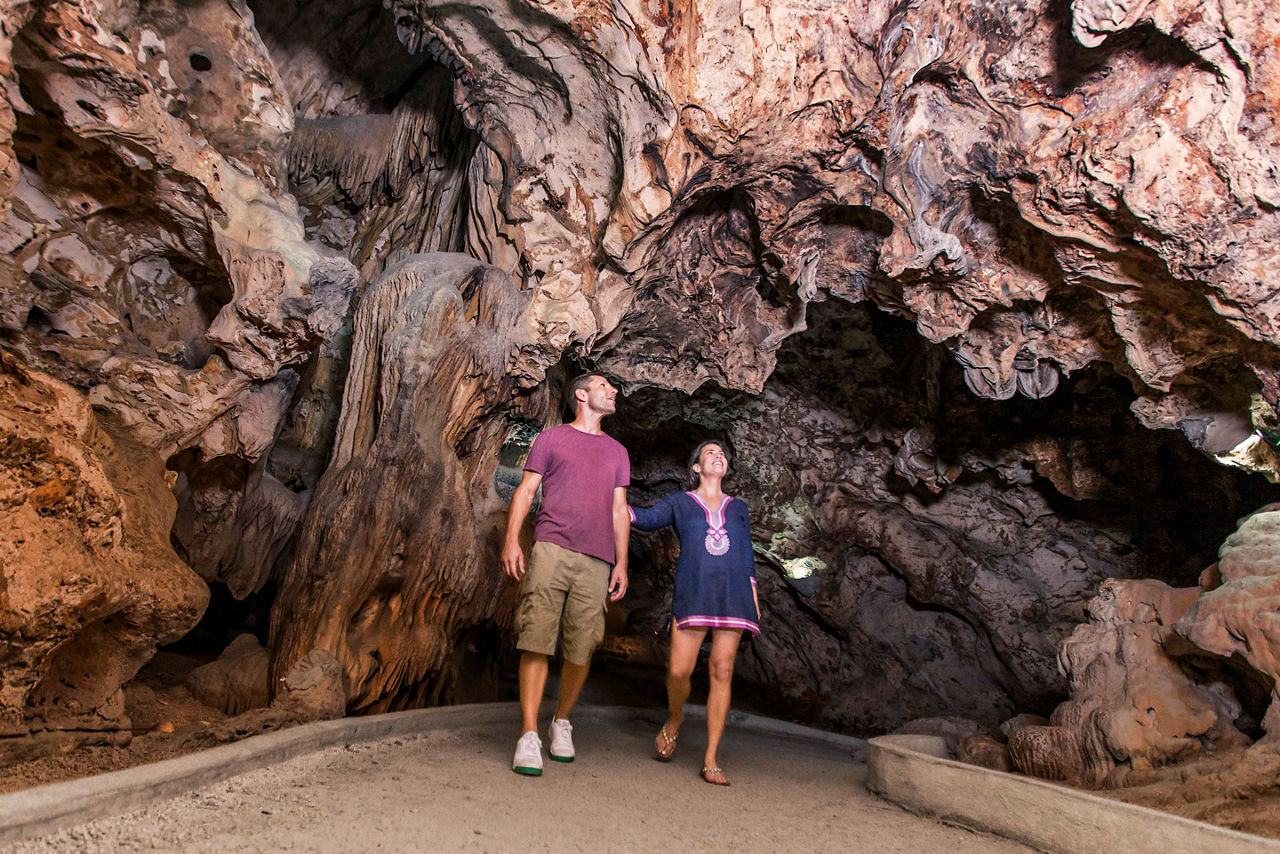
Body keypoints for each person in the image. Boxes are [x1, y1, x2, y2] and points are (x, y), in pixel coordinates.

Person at [500, 373, 631, 776]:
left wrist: (621, 562)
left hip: (597, 558)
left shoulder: (618, 452)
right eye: (604, 385)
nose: (612, 392)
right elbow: (525, 491)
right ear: (581, 394)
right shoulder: (551, 439)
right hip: (551, 548)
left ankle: (561, 721)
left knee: (582, 646)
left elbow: (618, 509)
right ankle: (527, 734)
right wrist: (511, 540)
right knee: (536, 638)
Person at [629, 440, 760, 786]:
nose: (718, 457)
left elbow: (746, 553)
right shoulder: (680, 503)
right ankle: (675, 718)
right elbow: (646, 518)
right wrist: (617, 504)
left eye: (722, 455)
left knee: (723, 669)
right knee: (678, 670)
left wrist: (753, 592)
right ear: (697, 468)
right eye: (709, 454)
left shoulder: (738, 507)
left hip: (734, 594)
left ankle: (711, 757)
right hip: (694, 590)